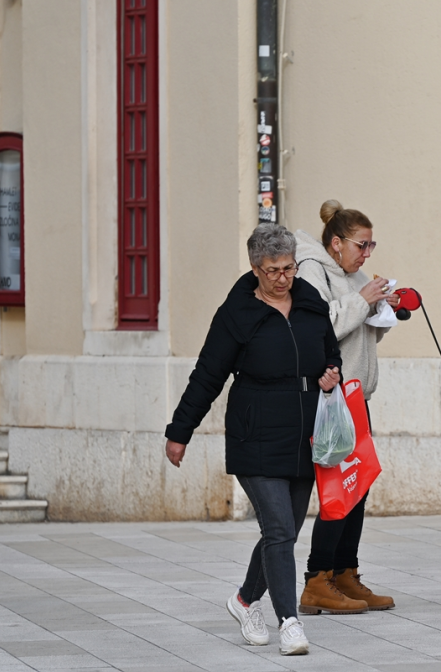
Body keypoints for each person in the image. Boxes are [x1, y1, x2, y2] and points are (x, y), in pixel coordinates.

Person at [164, 223, 342, 656]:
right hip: (255, 432)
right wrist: (179, 432)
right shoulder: (236, 314)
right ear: (255, 268)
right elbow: (207, 375)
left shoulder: (310, 300)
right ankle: (290, 623)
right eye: (274, 270)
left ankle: (244, 600)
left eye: (289, 268)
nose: (284, 278)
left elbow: (330, 349)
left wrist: (331, 372)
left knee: (285, 531)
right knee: (279, 528)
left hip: (306, 434)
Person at [294, 200, 398, 614]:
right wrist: (362, 300)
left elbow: (357, 339)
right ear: (336, 243)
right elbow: (319, 328)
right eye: (362, 244)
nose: (368, 253)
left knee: (360, 486)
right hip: (329, 399)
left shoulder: (352, 275)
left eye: (372, 245)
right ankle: (317, 580)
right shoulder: (310, 271)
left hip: (357, 396)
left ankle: (345, 574)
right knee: (340, 491)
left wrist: (384, 309)